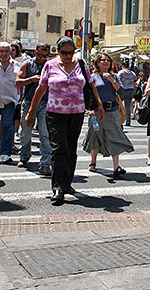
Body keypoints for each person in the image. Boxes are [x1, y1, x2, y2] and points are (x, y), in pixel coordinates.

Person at [25, 36, 104, 204]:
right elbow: (41, 88)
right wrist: (31, 111)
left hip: (76, 113)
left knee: (70, 149)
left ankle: (67, 183)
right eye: (63, 53)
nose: (67, 56)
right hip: (55, 113)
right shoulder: (50, 65)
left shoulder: (81, 64)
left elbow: (91, 85)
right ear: (58, 51)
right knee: (59, 148)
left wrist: (99, 105)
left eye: (70, 53)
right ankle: (58, 187)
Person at [83, 52, 134, 177]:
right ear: (97, 63)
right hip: (96, 112)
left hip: (112, 111)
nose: (105, 62)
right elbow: (86, 94)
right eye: (102, 60)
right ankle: (93, 162)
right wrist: (88, 109)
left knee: (115, 135)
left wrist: (111, 80)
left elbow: (121, 90)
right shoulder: (92, 77)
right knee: (95, 134)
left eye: (108, 60)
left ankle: (116, 166)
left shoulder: (114, 77)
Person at [15, 43, 52, 174]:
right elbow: (17, 82)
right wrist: (31, 79)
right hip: (29, 101)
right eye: (40, 55)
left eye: (45, 56)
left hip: (45, 102)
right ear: (35, 52)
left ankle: (46, 163)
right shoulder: (27, 64)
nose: (42, 58)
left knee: (45, 133)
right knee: (25, 131)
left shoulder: (51, 66)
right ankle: (24, 156)